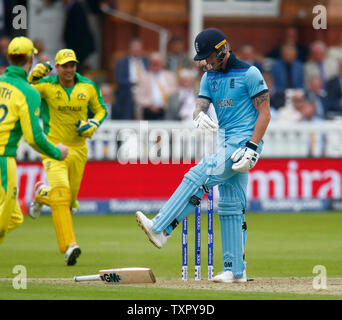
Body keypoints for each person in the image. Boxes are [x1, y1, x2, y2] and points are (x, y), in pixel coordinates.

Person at [136, 28, 271, 283]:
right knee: (231, 203)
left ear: (223, 49)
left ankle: (161, 227)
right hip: (225, 140)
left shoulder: (250, 74)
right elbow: (202, 102)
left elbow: (264, 113)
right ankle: (235, 270)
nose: (207, 62)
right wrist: (198, 114)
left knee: (199, 173)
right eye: (204, 58)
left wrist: (253, 148)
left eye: (210, 56)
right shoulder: (209, 77)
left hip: (243, 143)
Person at [27, 48, 107, 265]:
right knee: (61, 195)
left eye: (72, 65)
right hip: (53, 148)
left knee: (69, 203)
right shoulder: (47, 86)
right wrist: (33, 76)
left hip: (79, 149)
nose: (69, 70)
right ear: (58, 67)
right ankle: (70, 246)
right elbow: (25, 94)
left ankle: (42, 193)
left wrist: (92, 124)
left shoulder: (88, 86)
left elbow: (101, 110)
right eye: (64, 66)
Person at [0, 36, 68, 245]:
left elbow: (13, 90)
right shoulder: (29, 93)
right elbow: (33, 137)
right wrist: (57, 152)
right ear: (30, 60)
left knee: (14, 217)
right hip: (4, 159)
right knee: (3, 220)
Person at [134, 52, 177, 120]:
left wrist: (164, 103)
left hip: (166, 109)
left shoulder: (170, 76)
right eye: (153, 64)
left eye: (158, 64)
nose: (156, 67)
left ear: (162, 64)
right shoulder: (144, 78)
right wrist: (150, 104)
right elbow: (138, 97)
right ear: (149, 65)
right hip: (149, 110)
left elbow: (175, 93)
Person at [114, 39, 149, 119]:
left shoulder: (147, 61)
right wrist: (134, 83)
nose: (136, 50)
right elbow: (119, 79)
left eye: (138, 48)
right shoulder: (122, 62)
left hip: (145, 90)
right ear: (130, 49)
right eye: (134, 48)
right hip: (129, 90)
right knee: (128, 97)